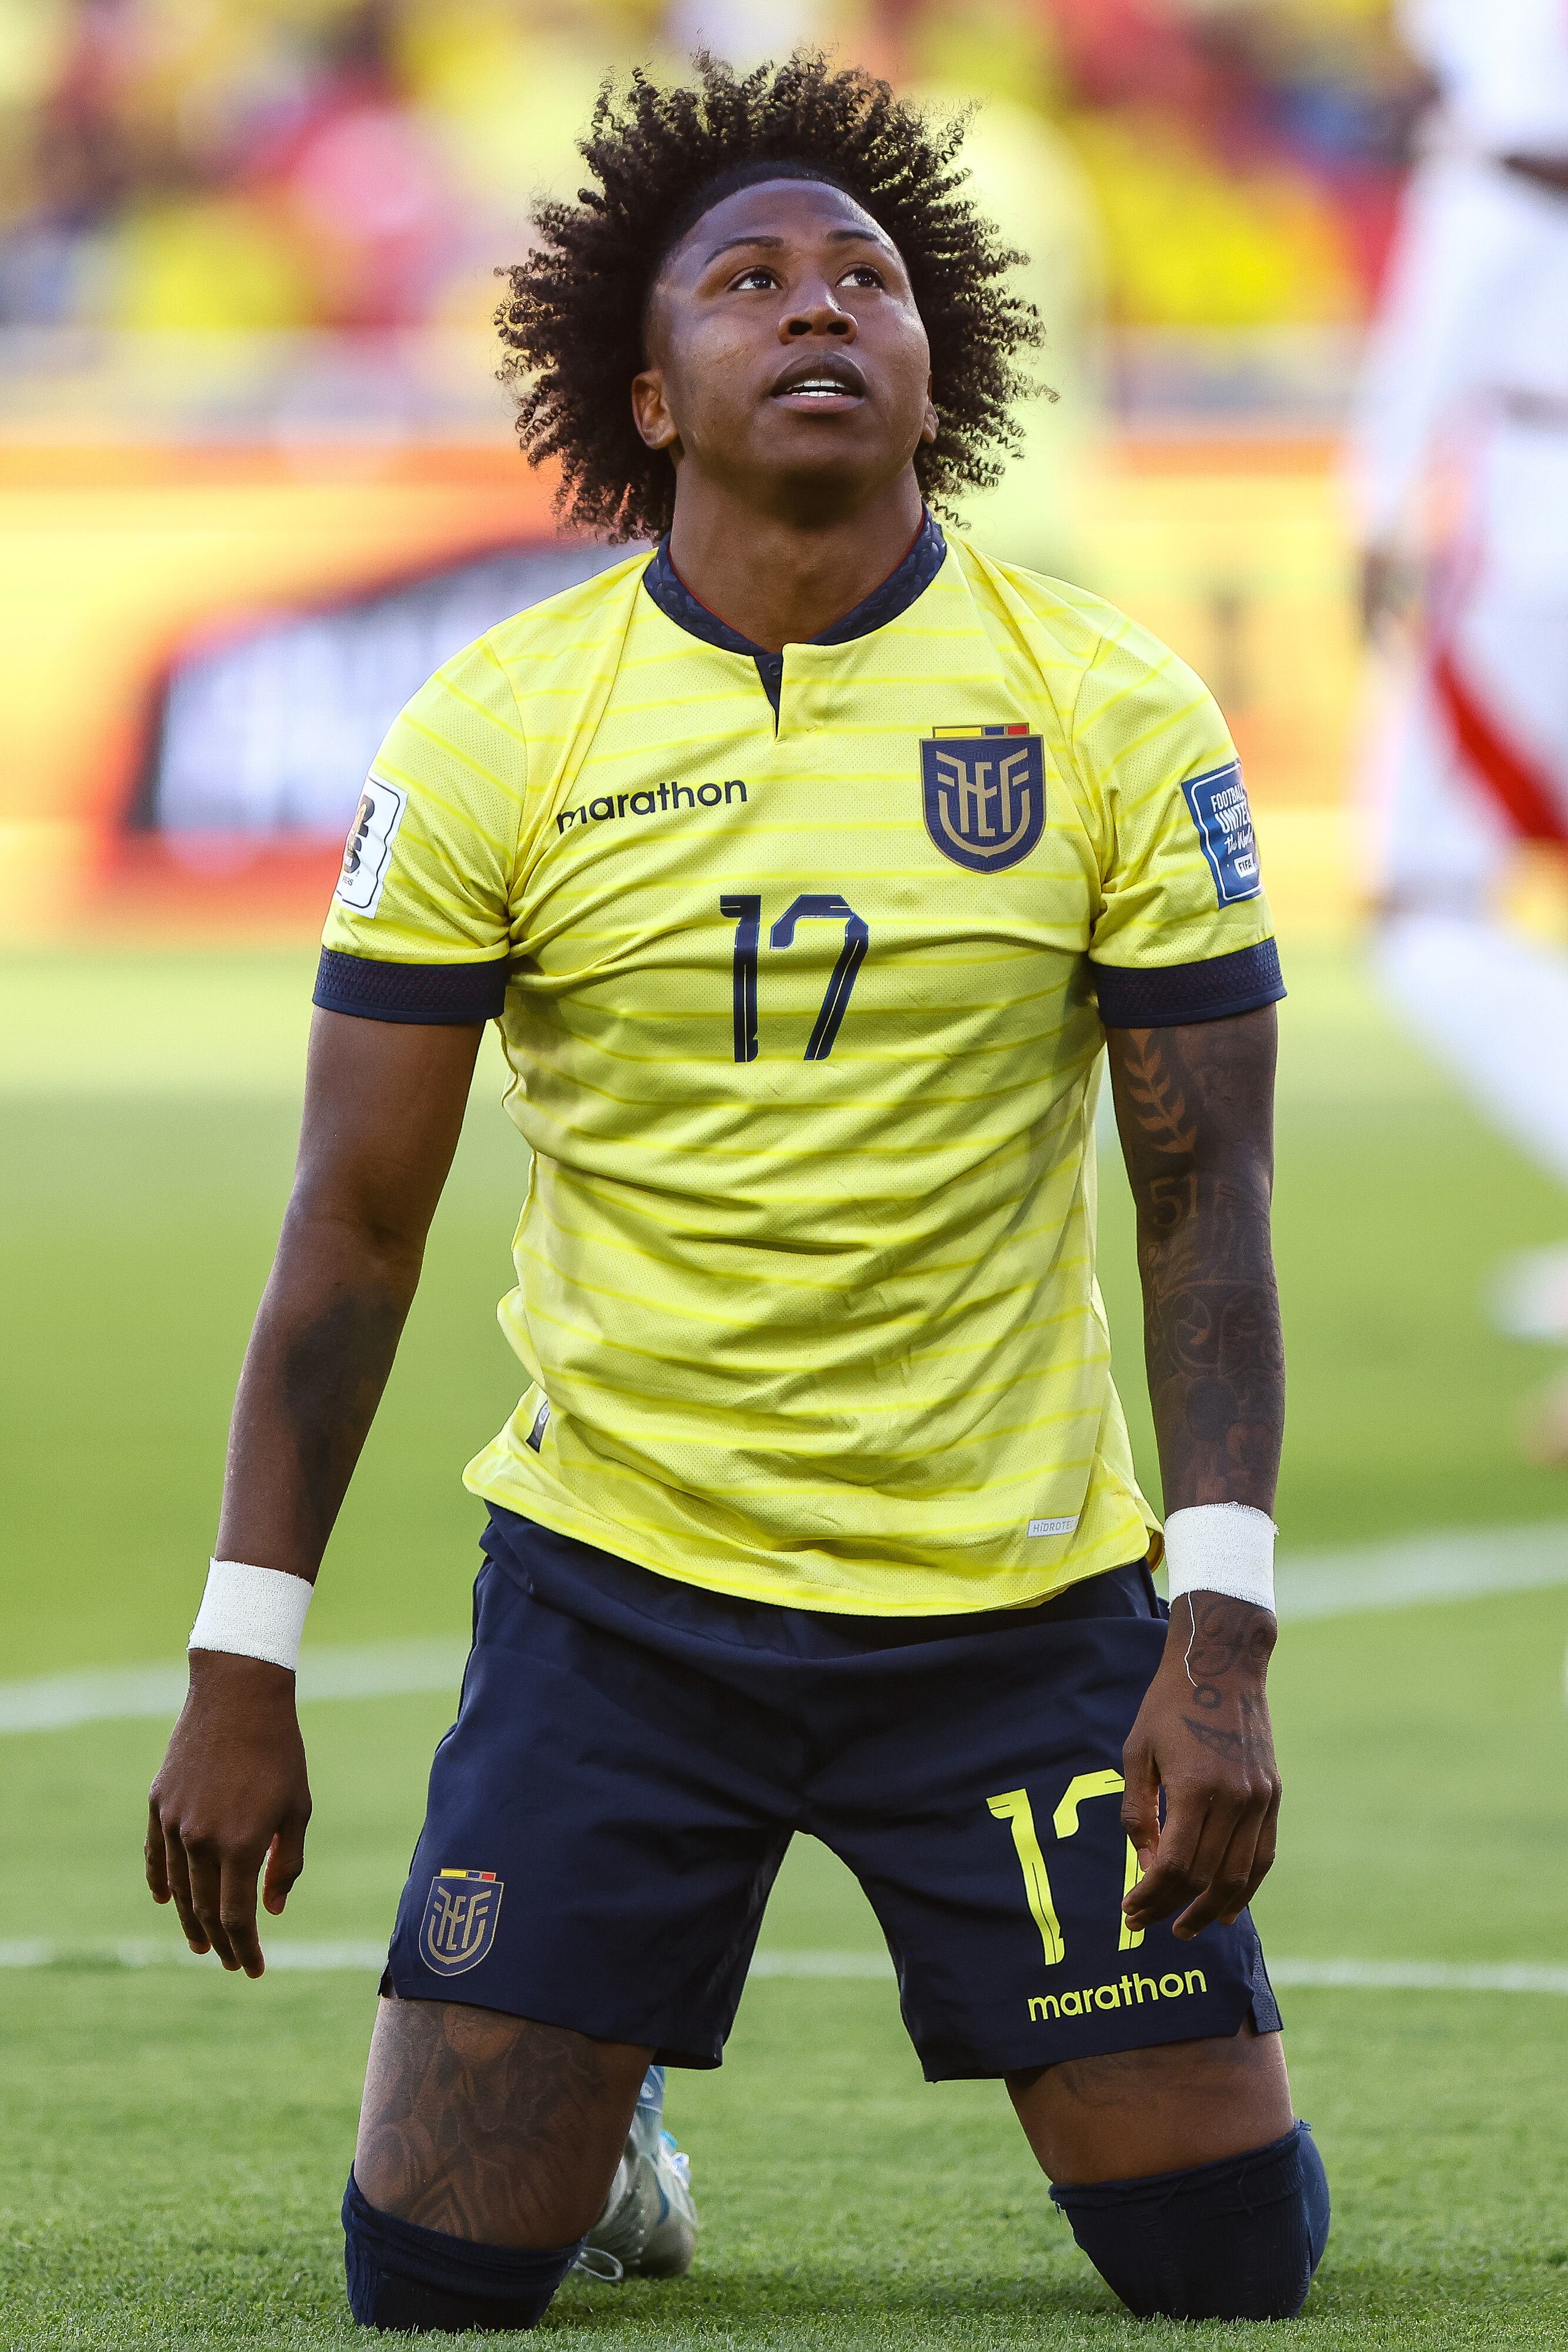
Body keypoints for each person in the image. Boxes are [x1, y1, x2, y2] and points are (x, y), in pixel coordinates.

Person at [145, 54, 1326, 2333]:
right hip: (621, 1599)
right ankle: (614, 2131)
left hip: (1012, 1607)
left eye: (866, 277)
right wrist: (244, 1656)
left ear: (935, 361)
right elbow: (351, 1233)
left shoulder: (1112, 711)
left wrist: (1221, 1637)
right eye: (751, 279)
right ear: (649, 386)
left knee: (1223, 2268)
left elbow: (1210, 1207)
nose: (819, 309)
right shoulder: (499, 725)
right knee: (430, 2281)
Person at [1353, 0, 1568, 1448]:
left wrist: (1367, 511)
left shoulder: (1496, 155)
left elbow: (1440, 306)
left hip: (1533, 531)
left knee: (1418, 901)